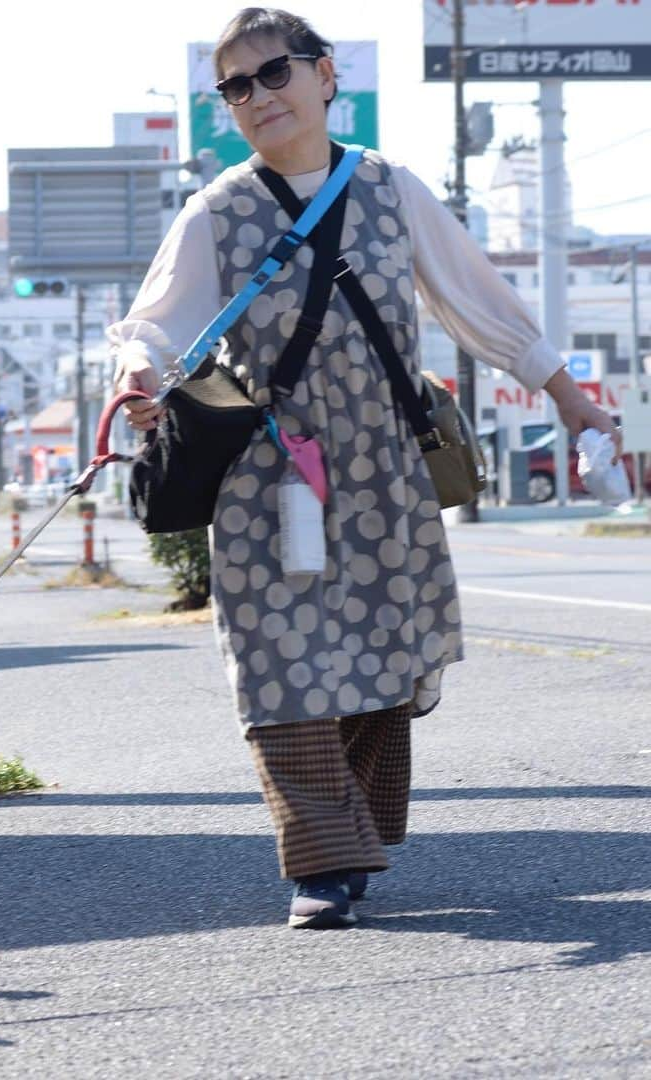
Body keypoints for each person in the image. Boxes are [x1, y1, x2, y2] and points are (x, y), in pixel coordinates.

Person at [107, 7, 620, 930]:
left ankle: (352, 835)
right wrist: (139, 375)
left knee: (383, 655)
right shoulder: (215, 212)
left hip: (382, 468)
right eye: (234, 86)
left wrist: (569, 396)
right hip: (266, 474)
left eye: (273, 74)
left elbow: (480, 302)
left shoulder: (389, 187)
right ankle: (322, 863)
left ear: (324, 74)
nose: (256, 97)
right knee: (281, 663)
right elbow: (156, 324)